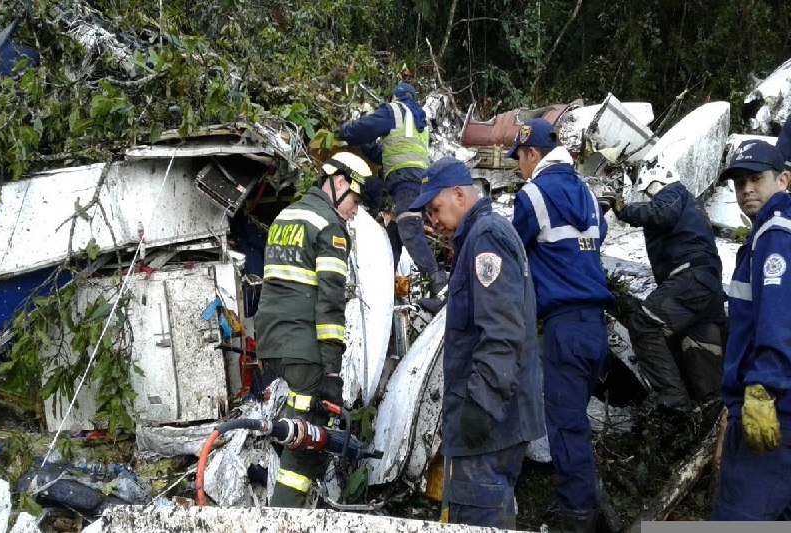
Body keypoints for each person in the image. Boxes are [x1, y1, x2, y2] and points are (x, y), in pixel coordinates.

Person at [408, 156, 544, 529]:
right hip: (496, 418)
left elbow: (501, 330)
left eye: (435, 208)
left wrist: (480, 405)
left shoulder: (485, 237)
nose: (433, 221)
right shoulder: (480, 236)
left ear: (458, 195)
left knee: (477, 519)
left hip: (491, 423)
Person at [254, 151, 382, 508]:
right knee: (307, 444)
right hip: (305, 352)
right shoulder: (330, 227)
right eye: (355, 201)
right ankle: (283, 519)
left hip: (271, 344)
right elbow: (329, 306)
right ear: (339, 183)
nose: (355, 211)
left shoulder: (286, 216)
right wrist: (331, 371)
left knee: (288, 428)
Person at [508, 118, 614, 532]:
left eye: (519, 157)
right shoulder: (586, 192)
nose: (518, 166)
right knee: (576, 420)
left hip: (563, 327)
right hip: (595, 328)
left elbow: (510, 248)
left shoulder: (532, 194)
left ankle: (576, 517)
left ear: (532, 153)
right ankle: (587, 498)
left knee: (566, 426)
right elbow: (598, 234)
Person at [712, 140, 791, 520]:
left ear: (783, 180)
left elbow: (776, 316)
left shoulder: (775, 233)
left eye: (756, 179)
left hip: (773, 411)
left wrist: (762, 386)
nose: (746, 190)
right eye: (739, 182)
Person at [611, 163, 725, 415]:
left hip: (690, 278)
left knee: (644, 323)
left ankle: (671, 397)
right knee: (699, 348)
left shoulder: (673, 193)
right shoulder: (690, 205)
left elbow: (661, 213)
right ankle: (708, 413)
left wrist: (625, 211)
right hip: (706, 287)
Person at [339, 82, 447, 310]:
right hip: (415, 181)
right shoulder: (419, 123)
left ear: (395, 97)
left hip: (405, 181)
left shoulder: (395, 110)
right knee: (393, 237)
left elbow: (361, 129)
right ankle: (384, 290)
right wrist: (369, 147)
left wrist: (345, 131)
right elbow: (387, 153)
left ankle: (442, 289)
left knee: (409, 230)